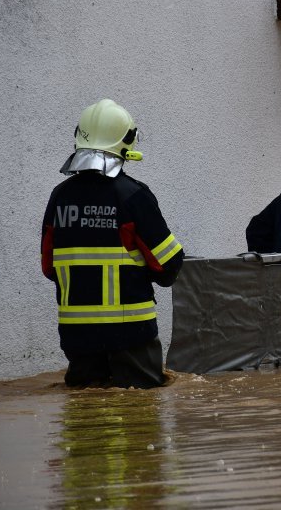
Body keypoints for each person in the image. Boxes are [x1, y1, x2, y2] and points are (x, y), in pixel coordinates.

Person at [41, 99, 184, 388]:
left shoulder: (59, 197)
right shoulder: (133, 196)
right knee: (138, 418)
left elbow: (48, 266)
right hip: (131, 336)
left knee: (84, 419)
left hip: (77, 338)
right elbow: (168, 267)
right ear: (125, 141)